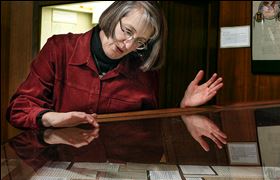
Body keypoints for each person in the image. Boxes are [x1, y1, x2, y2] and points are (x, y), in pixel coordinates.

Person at [6, 1, 223, 130]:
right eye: (127, 31)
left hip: (117, 172)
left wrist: (182, 110)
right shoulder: (59, 49)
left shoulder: (143, 72)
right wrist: (51, 118)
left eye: (140, 42)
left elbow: (149, 131)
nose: (128, 45)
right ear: (113, 16)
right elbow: (18, 109)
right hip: (59, 164)